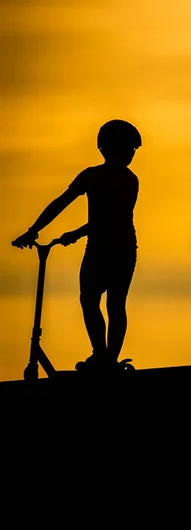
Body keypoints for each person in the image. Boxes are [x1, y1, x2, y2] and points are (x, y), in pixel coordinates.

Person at [13, 119, 142, 372]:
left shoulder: (129, 180)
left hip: (121, 249)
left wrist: (77, 232)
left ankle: (109, 360)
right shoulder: (91, 176)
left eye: (132, 151)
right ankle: (102, 355)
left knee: (115, 303)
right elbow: (60, 203)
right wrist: (33, 231)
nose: (130, 155)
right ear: (108, 148)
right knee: (89, 300)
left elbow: (113, 219)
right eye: (127, 149)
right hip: (98, 250)